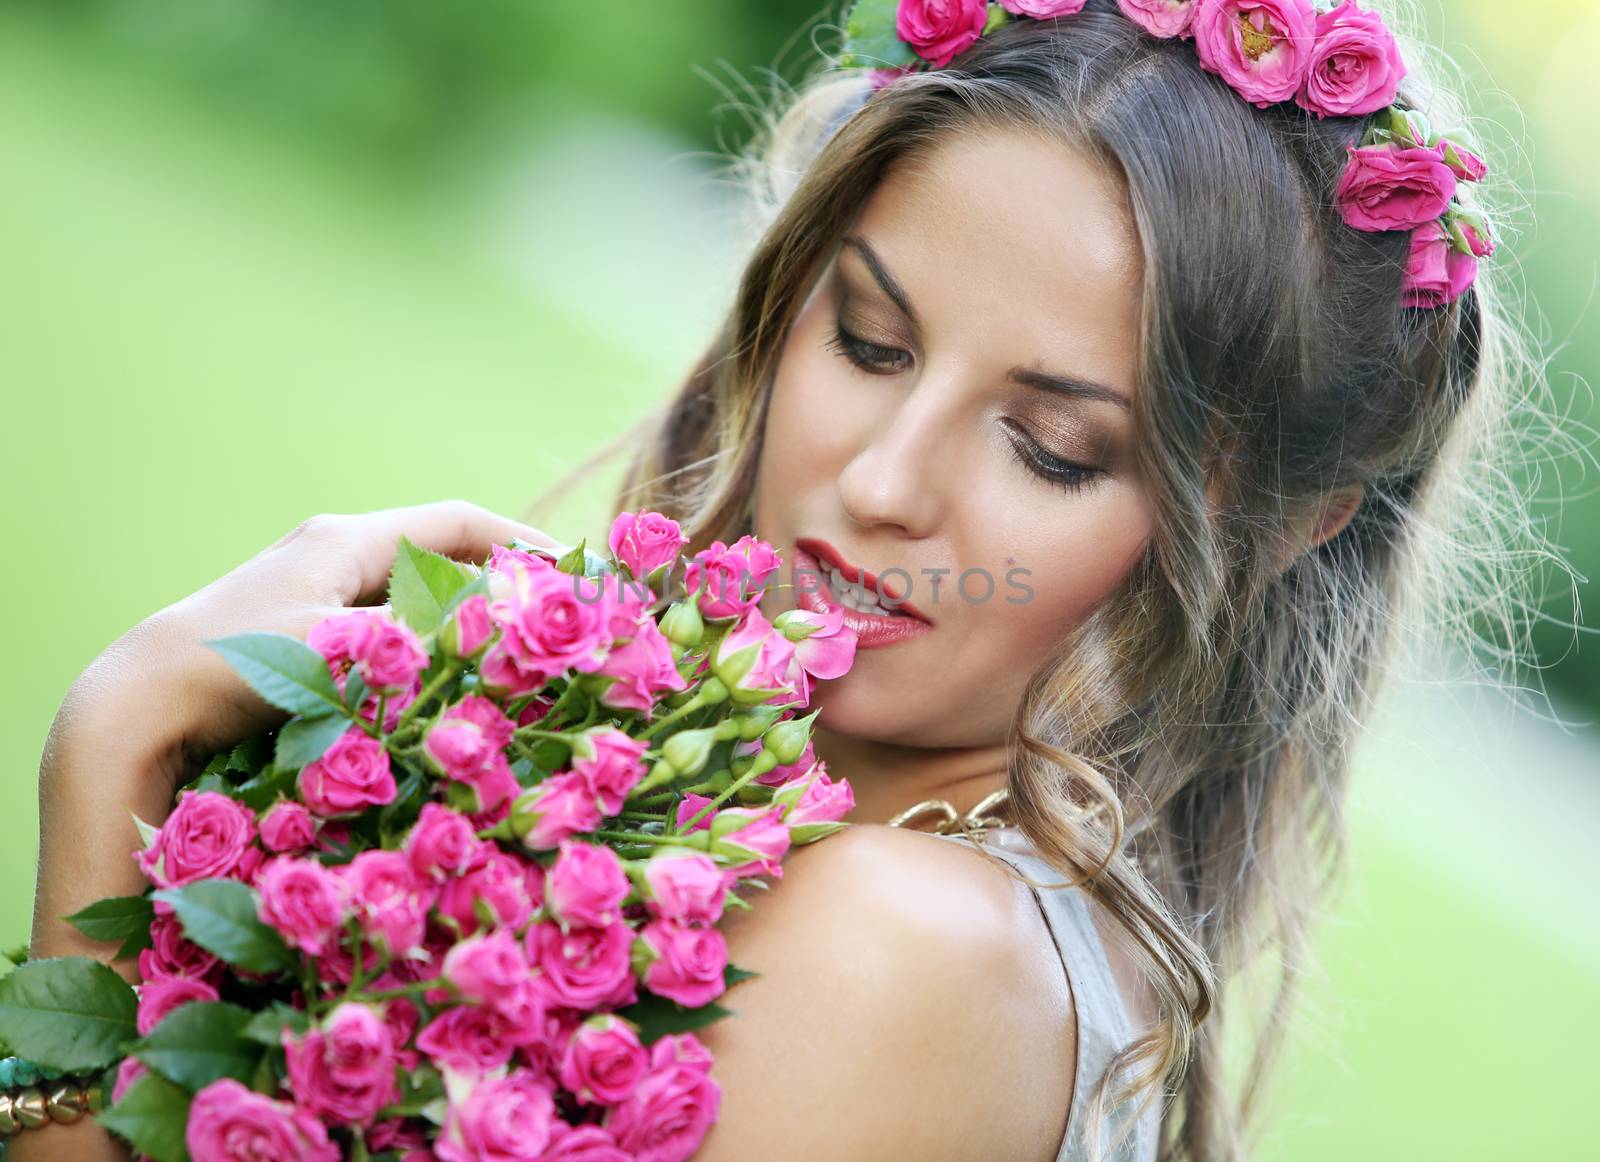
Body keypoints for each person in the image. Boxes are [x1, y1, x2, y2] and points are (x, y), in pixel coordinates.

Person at [22, 2, 1562, 1159]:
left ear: (1279, 520)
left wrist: (112, 767)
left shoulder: (899, 945)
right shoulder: (876, 868)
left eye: (1049, 445)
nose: (883, 481)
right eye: (870, 342)